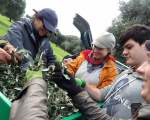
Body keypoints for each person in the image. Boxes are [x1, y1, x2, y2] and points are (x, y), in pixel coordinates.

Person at [53, 24, 150, 119]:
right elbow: (100, 95)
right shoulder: (126, 74)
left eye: (129, 47)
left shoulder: (112, 69)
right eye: (94, 46)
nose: (124, 52)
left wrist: (76, 92)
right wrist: (80, 83)